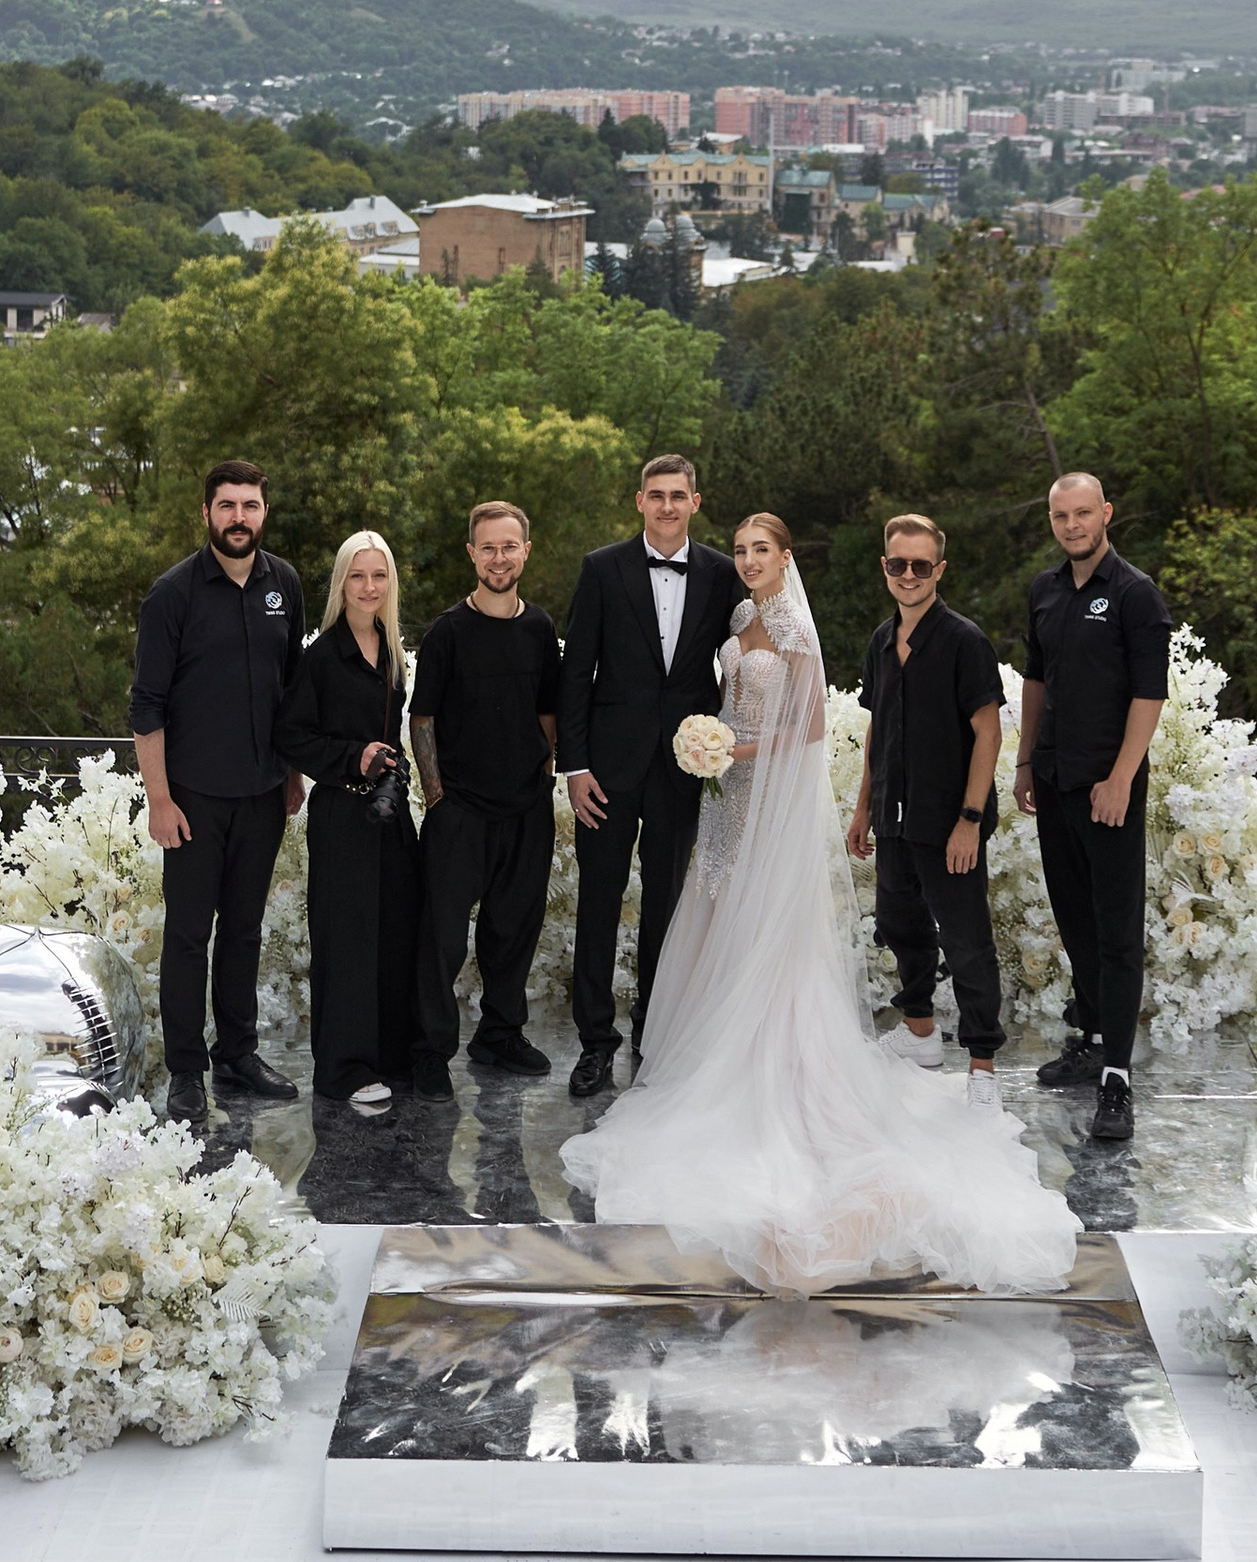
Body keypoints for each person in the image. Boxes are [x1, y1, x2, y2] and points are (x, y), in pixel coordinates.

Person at [561, 513, 1074, 1293]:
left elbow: (804, 726)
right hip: (729, 796)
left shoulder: (797, 627)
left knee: (775, 925)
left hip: (770, 792)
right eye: (739, 551)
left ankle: (836, 1060)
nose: (747, 561)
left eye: (761, 550)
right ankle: (708, 1046)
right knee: (717, 912)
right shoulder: (736, 617)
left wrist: (734, 747)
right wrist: (711, 749)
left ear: (785, 557)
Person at [129, 460, 306, 1127]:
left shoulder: (283, 583)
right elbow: (146, 705)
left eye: (250, 506)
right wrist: (159, 799)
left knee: (244, 930)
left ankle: (238, 1053)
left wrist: (290, 773)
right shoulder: (172, 595)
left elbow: (290, 688)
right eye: (228, 505)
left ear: (263, 513)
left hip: (262, 793)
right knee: (187, 936)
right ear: (206, 514)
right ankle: (185, 1070)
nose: (240, 517)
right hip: (193, 800)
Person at [555, 454, 737, 1099]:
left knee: (666, 906)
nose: (666, 506)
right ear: (639, 502)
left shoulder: (721, 573)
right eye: (655, 495)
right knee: (599, 904)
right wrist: (574, 767)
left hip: (683, 769)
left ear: (695, 500)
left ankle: (653, 1037)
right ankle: (595, 1045)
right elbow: (576, 671)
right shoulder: (602, 568)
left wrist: (725, 746)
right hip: (605, 768)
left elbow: (743, 659)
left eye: (677, 496)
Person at [1014, 469, 1170, 1149]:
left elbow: (1148, 694)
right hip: (1053, 782)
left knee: (1115, 934)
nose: (1073, 525)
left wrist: (1121, 778)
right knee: (1074, 922)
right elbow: (1036, 683)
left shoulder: (1135, 595)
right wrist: (1024, 763)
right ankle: (1091, 1040)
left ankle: (1116, 1079)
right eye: (1061, 516)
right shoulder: (1045, 592)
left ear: (1106, 512)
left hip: (1110, 790)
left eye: (1083, 513)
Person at [847, 512, 1007, 1096]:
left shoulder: (966, 641)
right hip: (892, 817)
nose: (908, 574)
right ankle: (919, 1033)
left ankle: (983, 1063)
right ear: (884, 568)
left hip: (949, 822)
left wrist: (969, 820)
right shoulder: (880, 642)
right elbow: (877, 729)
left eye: (920, 565)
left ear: (938, 569)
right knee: (898, 923)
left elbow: (988, 734)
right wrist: (864, 807)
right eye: (898, 564)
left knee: (966, 939)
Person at [410, 499, 563, 1094]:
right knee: (443, 938)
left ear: (526, 550)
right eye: (488, 547)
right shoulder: (448, 631)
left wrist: (543, 774)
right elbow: (422, 720)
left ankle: (499, 1035)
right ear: (473, 554)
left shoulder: (540, 628)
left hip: (526, 805)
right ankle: (429, 1051)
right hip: (461, 810)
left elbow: (547, 712)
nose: (500, 557)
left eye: (510, 546)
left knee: (513, 929)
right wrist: (437, 798)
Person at [292, 528, 418, 1115]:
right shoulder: (319, 656)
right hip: (342, 812)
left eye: (379, 575)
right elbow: (292, 736)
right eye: (357, 575)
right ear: (341, 582)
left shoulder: (391, 652)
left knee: (394, 931)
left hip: (390, 814)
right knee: (345, 940)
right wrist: (353, 758)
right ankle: (343, 1070)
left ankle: (388, 1056)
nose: (369, 587)